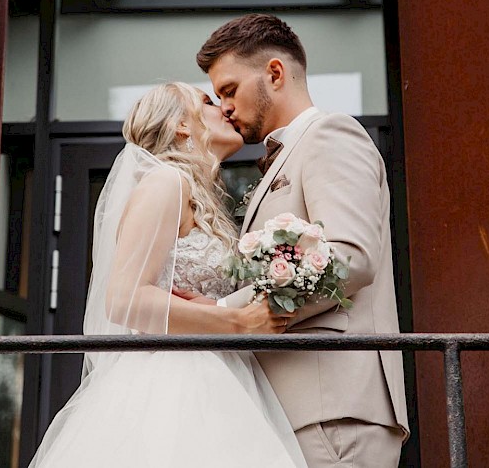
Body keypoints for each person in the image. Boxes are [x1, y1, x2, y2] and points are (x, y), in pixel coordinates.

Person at [28, 82, 307, 468]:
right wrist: (236, 320)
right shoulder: (165, 183)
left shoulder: (197, 194)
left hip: (223, 374)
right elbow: (124, 300)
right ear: (180, 125)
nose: (225, 110)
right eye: (208, 102)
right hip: (174, 382)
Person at [194, 14, 409, 467]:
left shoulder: (330, 134)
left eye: (229, 90)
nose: (224, 107)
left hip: (334, 406)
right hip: (295, 407)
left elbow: (350, 257)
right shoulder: (280, 159)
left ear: (275, 73)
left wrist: (223, 315)